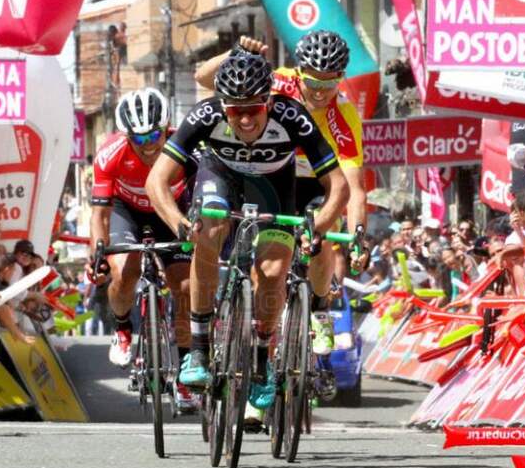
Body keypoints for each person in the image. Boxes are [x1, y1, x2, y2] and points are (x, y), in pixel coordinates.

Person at [147, 50, 349, 424]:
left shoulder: (293, 116)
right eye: (233, 109)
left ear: (269, 103)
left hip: (273, 186)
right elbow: (156, 180)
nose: (242, 118)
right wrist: (177, 222)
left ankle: (259, 359)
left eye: (253, 109)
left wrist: (316, 227)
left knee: (272, 273)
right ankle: (201, 349)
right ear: (221, 105)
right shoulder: (205, 115)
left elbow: (338, 186)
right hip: (220, 176)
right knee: (208, 231)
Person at [195, 32, 367, 358]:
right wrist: (234, 53)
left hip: (316, 182)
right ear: (298, 72)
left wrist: (359, 235)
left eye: (328, 86)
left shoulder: (344, 116)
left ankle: (319, 310)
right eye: (312, 84)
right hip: (269, 173)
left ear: (340, 80)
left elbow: (354, 190)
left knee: (322, 240)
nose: (318, 94)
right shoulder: (278, 82)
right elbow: (205, 79)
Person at [87, 87, 197, 411]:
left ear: (167, 127)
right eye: (139, 139)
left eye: (154, 136)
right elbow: (100, 214)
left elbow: (202, 196)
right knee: (124, 270)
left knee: (186, 287)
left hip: (170, 209)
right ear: (127, 135)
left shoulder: (187, 147)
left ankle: (187, 369)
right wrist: (98, 254)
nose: (148, 145)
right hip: (126, 210)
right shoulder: (110, 154)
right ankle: (122, 327)